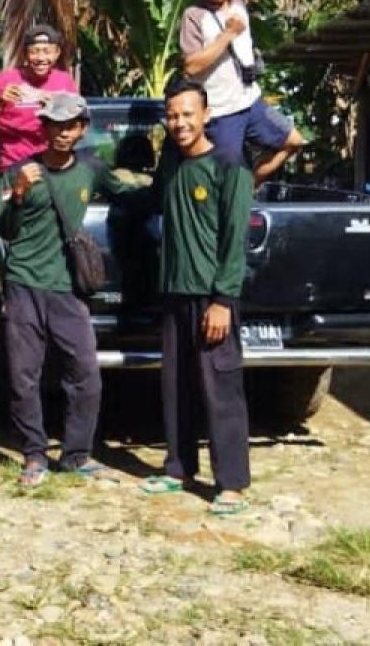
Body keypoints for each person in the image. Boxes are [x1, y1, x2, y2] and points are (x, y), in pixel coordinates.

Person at [0, 92, 149, 487]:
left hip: (68, 289)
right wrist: (18, 195)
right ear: (43, 128)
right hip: (24, 284)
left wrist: (172, 182)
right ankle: (34, 454)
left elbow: (131, 197)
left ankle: (76, 455)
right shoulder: (19, 170)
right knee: (23, 376)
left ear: (82, 129)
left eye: (71, 125)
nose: (62, 133)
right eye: (55, 125)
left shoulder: (92, 169)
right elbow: (3, 230)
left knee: (85, 374)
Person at [141, 78, 252, 516]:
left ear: (206, 116)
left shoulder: (229, 165)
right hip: (174, 294)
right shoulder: (170, 165)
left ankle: (231, 483)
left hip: (212, 298)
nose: (179, 122)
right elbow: (146, 202)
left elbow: (234, 238)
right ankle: (178, 467)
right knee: (177, 386)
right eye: (172, 115)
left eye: (188, 114)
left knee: (221, 388)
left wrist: (224, 300)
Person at [179, 0, 305, 185]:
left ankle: (248, 188)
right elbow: (191, 67)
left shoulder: (239, 6)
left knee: (294, 141)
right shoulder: (194, 16)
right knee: (224, 177)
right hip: (221, 112)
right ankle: (234, 199)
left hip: (252, 102)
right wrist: (227, 36)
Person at [0, 25, 78, 172]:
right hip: (12, 164)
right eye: (34, 52)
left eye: (47, 51)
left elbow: (77, 124)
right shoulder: (5, 80)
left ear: (57, 54)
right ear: (25, 54)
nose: (41, 58)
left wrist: (56, 107)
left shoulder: (65, 82)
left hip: (53, 165)